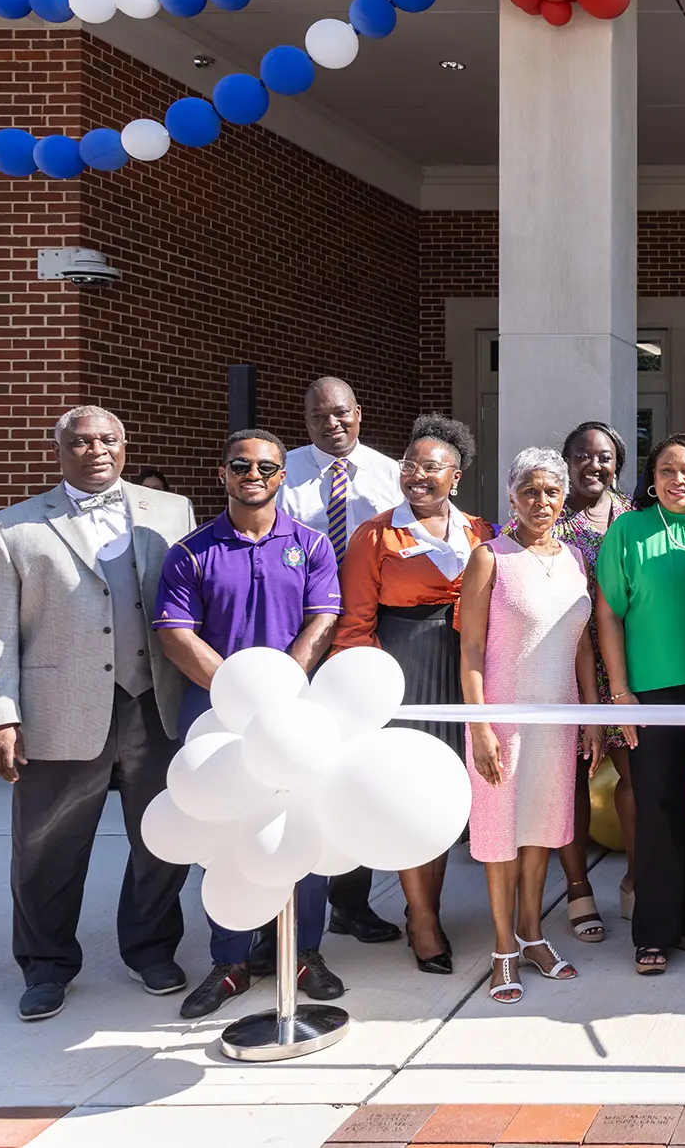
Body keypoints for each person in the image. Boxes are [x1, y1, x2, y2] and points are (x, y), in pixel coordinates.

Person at [0, 407, 197, 1021]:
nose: (96, 450)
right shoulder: (12, 528)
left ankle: (151, 948)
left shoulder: (171, 513)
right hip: (59, 708)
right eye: (81, 442)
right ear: (60, 449)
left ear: (125, 446)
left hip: (155, 704)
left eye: (108, 440)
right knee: (47, 845)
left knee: (162, 837)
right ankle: (45, 967)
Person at [153, 429, 345, 1019]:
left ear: (283, 476)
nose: (254, 474)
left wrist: (281, 687)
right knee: (225, 831)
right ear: (222, 473)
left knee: (303, 826)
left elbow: (324, 617)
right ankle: (230, 959)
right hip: (217, 715)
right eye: (241, 464)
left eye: (267, 466)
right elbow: (174, 632)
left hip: (298, 710)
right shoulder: (191, 551)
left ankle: (304, 951)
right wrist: (240, 693)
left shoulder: (311, 545)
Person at [331, 414, 496, 974]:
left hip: (464, 670)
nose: (417, 475)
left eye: (431, 466)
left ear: (456, 474)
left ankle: (428, 907)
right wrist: (361, 690)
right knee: (409, 794)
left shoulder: (481, 531)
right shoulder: (375, 534)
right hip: (401, 669)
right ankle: (422, 920)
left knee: (445, 795)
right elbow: (353, 623)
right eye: (409, 465)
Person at [458, 447, 598, 1004]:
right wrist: (480, 725)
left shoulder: (574, 559)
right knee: (500, 835)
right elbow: (469, 650)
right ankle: (502, 949)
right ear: (512, 497)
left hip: (558, 715)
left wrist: (589, 714)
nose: (541, 501)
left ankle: (534, 934)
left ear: (565, 499)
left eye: (552, 491)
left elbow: (582, 644)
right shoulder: (489, 558)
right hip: (505, 716)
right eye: (530, 491)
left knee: (541, 828)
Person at [596, 433, 685, 975]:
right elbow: (608, 616)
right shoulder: (628, 529)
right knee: (656, 810)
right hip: (650, 692)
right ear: (652, 479)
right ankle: (653, 930)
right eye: (668, 471)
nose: (679, 480)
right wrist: (621, 694)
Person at [281, 375, 405, 947]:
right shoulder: (280, 472)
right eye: (317, 417)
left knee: (359, 771)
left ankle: (352, 903)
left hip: (369, 638)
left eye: (340, 414)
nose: (331, 425)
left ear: (359, 412)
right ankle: (288, 908)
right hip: (299, 635)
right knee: (301, 768)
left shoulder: (389, 473)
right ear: (304, 421)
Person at [552, 421, 636, 944]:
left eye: (604, 456)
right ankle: (578, 886)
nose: (594, 465)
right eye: (582, 455)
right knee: (572, 778)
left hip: (627, 663)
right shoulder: (544, 516)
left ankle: (635, 878)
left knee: (635, 774)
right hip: (565, 662)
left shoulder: (635, 516)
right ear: (566, 461)